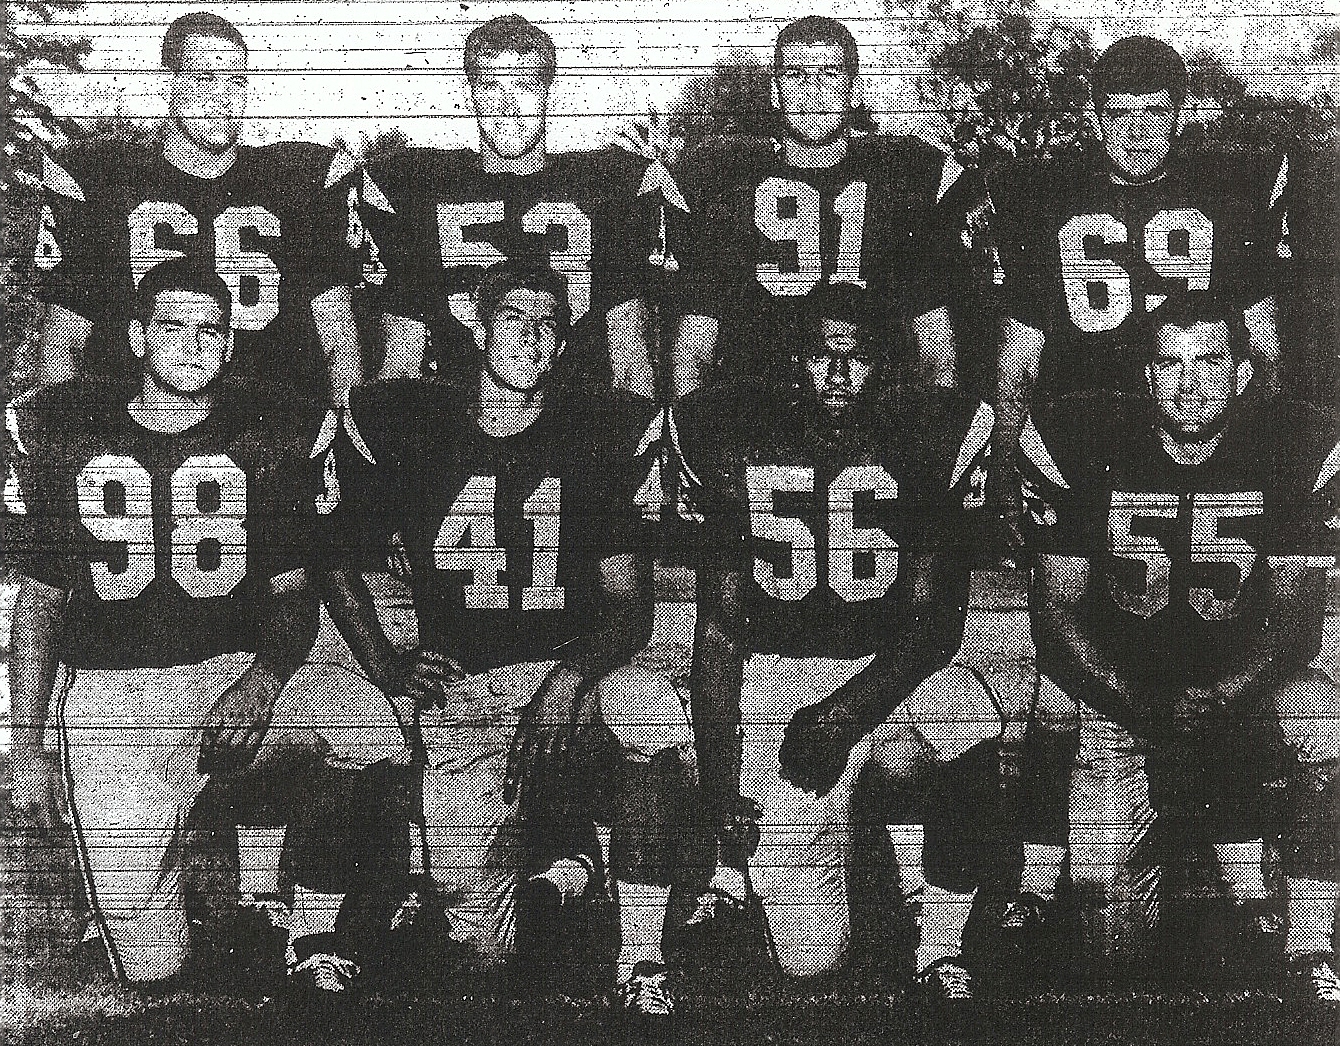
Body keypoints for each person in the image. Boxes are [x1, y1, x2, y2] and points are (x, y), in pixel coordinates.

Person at [3, 260, 410, 990]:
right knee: (153, 968)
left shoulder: (264, 443)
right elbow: (38, 605)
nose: (192, 345)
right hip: (111, 699)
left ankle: (308, 921)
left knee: (368, 729)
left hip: (222, 672)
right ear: (135, 337)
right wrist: (27, 747)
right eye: (172, 326)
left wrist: (264, 678)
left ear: (229, 344)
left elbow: (292, 594)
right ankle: (161, 896)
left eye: (210, 330)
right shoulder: (74, 436)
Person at [321, 259, 696, 1022]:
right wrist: (387, 665)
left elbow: (631, 610)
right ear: (478, 326)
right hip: (463, 694)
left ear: (564, 345)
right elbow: (327, 551)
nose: (531, 336)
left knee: (652, 708)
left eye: (549, 323)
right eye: (516, 317)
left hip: (567, 679)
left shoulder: (594, 435)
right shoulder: (416, 425)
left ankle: (643, 959)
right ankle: (568, 866)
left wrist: (568, 680)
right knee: (484, 956)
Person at [676, 283, 1055, 998]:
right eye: (823, 355)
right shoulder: (730, 433)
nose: (840, 374)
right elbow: (721, 629)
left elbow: (934, 626)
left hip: (887, 670)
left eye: (859, 357)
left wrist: (844, 714)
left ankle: (940, 942)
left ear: (890, 365)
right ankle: (816, 864)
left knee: (970, 719)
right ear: (795, 362)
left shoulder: (928, 433)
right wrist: (722, 788)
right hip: (779, 673)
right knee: (811, 962)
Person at [1021, 293, 1339, 1004]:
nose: (1189, 382)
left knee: (1328, 721)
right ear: (1143, 375)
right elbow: (1055, 616)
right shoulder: (1080, 431)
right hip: (1123, 694)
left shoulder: (1299, 439)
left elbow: (1296, 625)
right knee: (1114, 954)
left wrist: (1221, 697)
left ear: (1245, 375)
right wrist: (1142, 704)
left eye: (1209, 360)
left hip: (1247, 687)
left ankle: (1310, 942)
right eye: (1169, 362)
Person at [991, 35, 1286, 542]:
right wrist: (1005, 441)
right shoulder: (1052, 196)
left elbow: (1260, 333)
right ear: (1094, 114)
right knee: (1069, 575)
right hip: (1085, 419)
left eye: (1153, 112)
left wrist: (1262, 425)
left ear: (1180, 114)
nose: (1137, 129)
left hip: (1194, 418)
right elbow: (1023, 337)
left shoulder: (1221, 195)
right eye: (1119, 113)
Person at [32, 11, 363, 409]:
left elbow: (338, 337)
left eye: (236, 83)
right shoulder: (105, 178)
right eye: (204, 80)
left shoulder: (295, 180)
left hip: (267, 428)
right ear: (167, 86)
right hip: (135, 431)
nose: (223, 98)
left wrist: (343, 431)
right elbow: (62, 341)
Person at [669, 15, 973, 399]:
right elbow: (695, 346)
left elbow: (934, 346)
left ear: (854, 88)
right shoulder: (729, 177)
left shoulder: (901, 176)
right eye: (796, 75)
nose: (813, 92)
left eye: (829, 73)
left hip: (874, 416)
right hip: (760, 411)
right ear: (776, 91)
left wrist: (936, 435)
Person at [359, 13, 661, 398]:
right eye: (490, 87)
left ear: (549, 92)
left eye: (524, 86)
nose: (508, 106)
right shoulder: (426, 187)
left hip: (577, 428)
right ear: (471, 95)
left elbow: (630, 359)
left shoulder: (604, 185)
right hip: (462, 430)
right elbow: (402, 361)